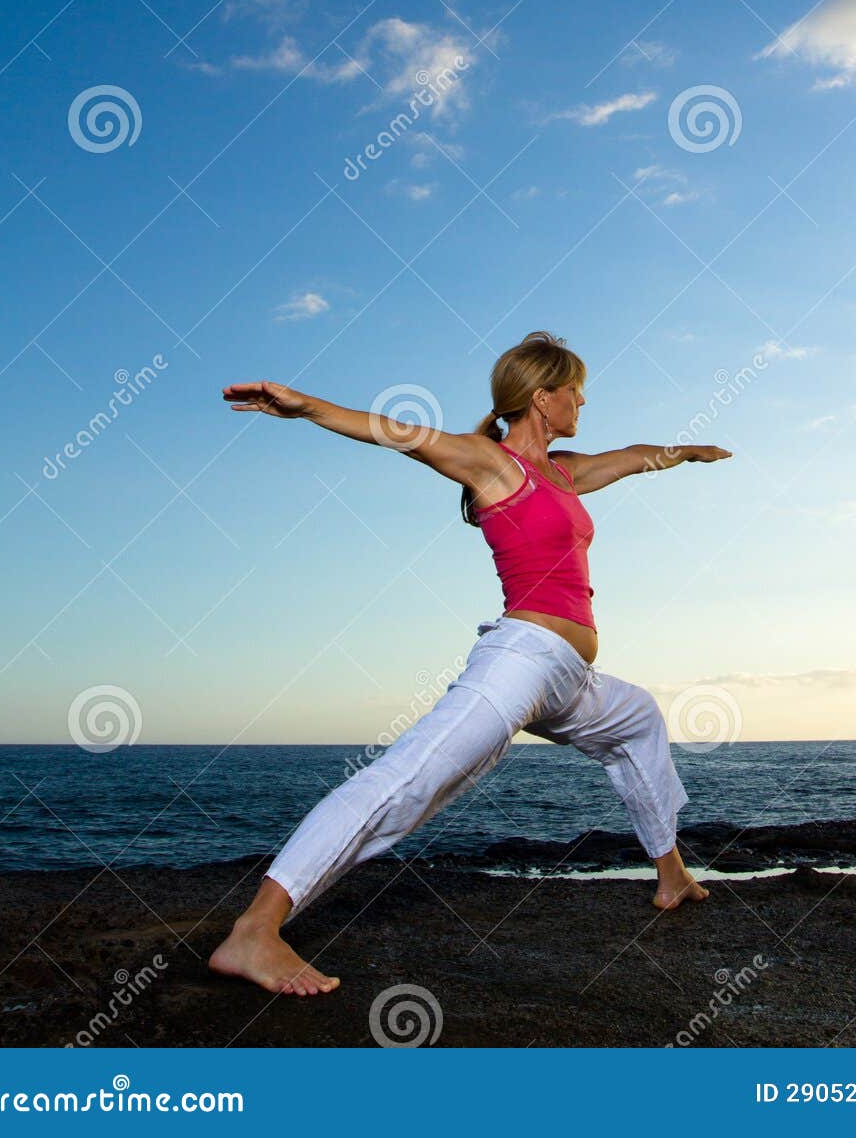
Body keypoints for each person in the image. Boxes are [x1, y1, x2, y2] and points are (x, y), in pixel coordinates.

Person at [209, 330, 731, 996]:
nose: (583, 402)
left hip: (568, 681)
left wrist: (680, 453)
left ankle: (672, 876)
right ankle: (256, 930)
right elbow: (398, 432)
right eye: (576, 390)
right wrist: (306, 405)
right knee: (411, 779)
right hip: (521, 660)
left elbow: (625, 459)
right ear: (544, 398)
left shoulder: (561, 471)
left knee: (637, 721)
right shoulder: (493, 463)